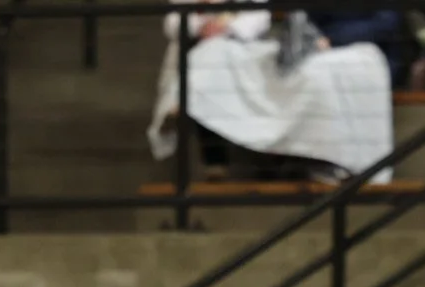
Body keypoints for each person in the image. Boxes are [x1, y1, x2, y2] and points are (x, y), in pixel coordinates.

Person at [147, 0, 396, 185]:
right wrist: (202, 24)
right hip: (302, 45)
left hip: (357, 47)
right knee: (210, 61)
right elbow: (303, 16)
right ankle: (216, 154)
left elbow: (389, 20)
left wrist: (332, 38)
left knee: (314, 76)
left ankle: (325, 159)